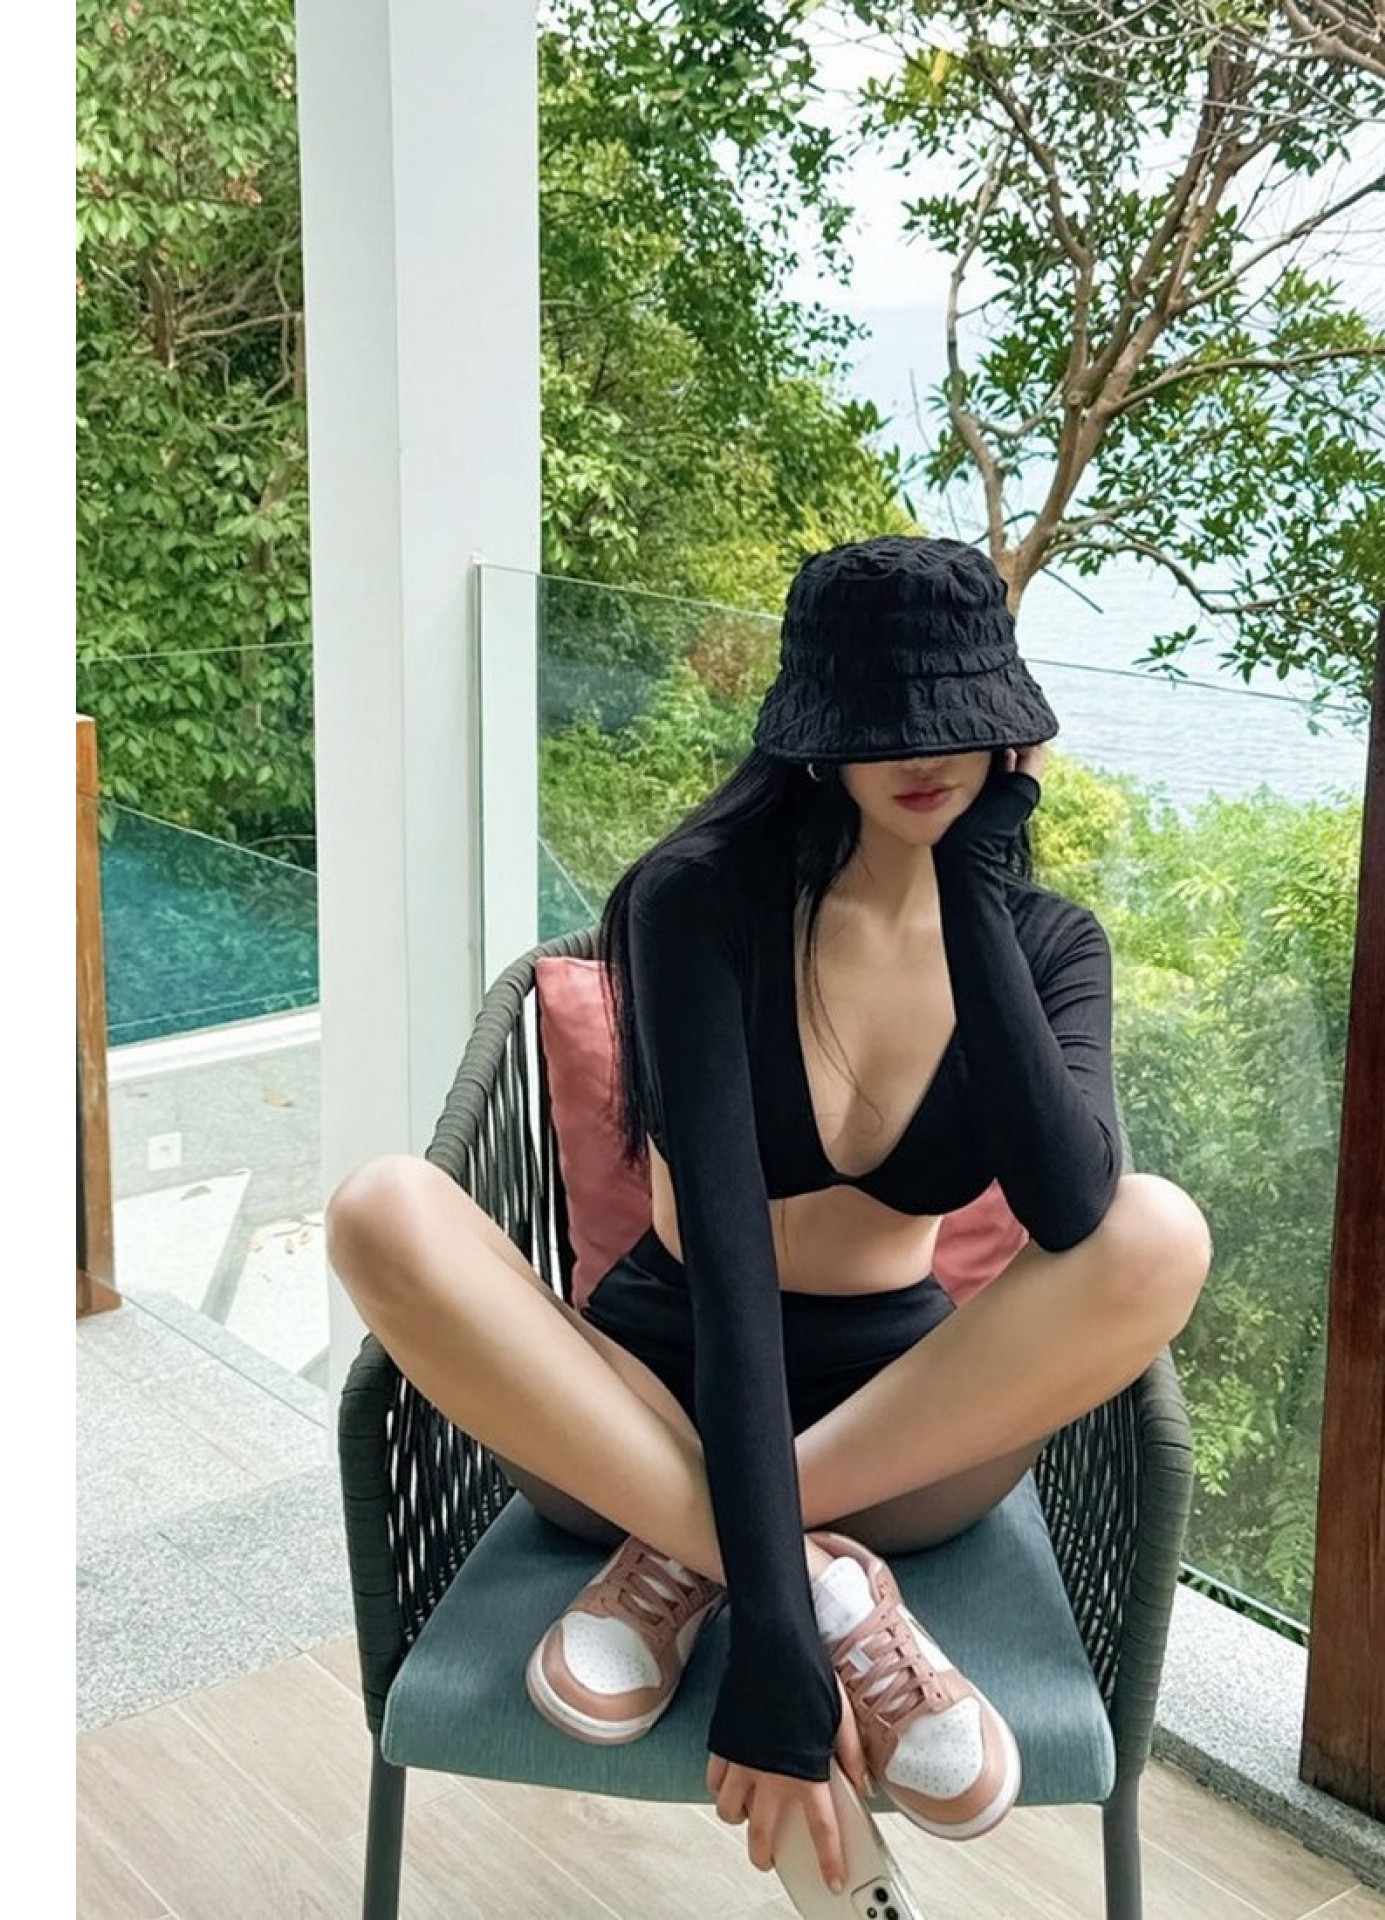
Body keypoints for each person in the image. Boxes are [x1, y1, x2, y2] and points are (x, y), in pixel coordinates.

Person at [326, 534, 1213, 1897]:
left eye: (956, 716)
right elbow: (731, 1273)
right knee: (383, 1207)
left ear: (1009, 728)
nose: (923, 752)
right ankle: (818, 1583)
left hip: (901, 1432)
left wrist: (978, 896)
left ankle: (687, 1562)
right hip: (644, 1403)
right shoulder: (702, 904)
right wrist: (790, 1646)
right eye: (880, 722)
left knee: (1159, 1232)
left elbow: (1068, 1203)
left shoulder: (1051, 942)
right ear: (815, 732)